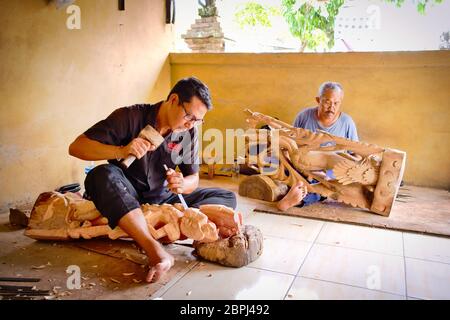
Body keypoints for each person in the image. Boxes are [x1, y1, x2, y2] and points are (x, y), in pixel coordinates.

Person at [69, 77, 236, 282]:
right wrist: (120, 150)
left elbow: (194, 177)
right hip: (126, 192)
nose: (191, 124)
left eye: (198, 121)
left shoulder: (188, 132)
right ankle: (154, 247)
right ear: (174, 100)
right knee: (100, 175)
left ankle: (145, 222)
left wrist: (183, 184)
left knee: (225, 197)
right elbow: (76, 147)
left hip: (162, 197)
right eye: (189, 116)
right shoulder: (129, 116)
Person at [277, 81, 359, 211]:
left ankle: (295, 200)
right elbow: (290, 143)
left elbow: (355, 154)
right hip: (302, 165)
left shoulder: (347, 122)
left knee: (325, 186)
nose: (332, 107)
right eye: (327, 102)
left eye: (336, 103)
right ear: (318, 100)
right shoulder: (304, 116)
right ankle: (296, 189)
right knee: (277, 165)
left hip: (330, 172)